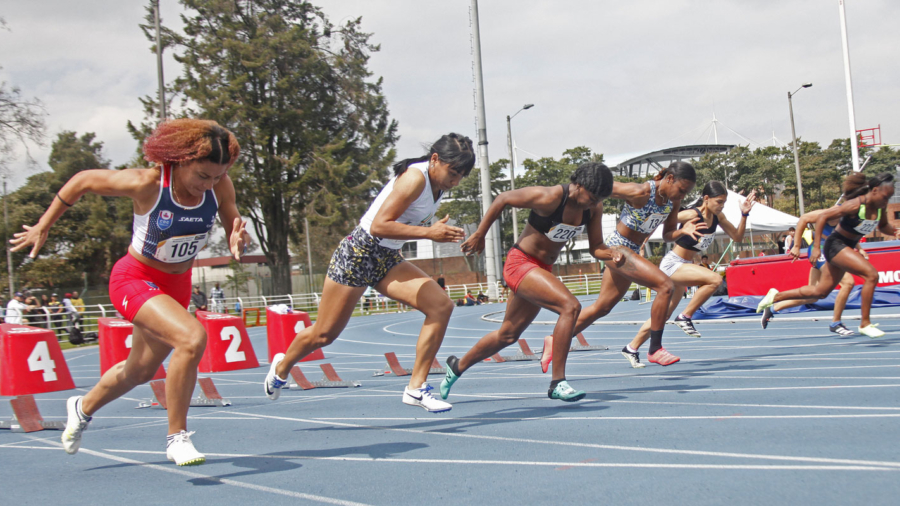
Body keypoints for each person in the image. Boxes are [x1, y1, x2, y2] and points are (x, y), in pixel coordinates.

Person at [11, 118, 250, 466]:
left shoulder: (219, 185)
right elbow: (82, 181)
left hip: (175, 285)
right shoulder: (147, 183)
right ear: (181, 160)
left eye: (217, 176)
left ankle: (82, 407)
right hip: (135, 278)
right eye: (202, 176)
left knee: (139, 371)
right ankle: (176, 437)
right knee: (191, 338)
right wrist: (43, 225)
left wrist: (236, 237)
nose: (208, 185)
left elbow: (233, 222)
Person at [264, 133, 475, 413]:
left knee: (440, 306)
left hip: (387, 257)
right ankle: (281, 367)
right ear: (434, 159)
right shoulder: (415, 178)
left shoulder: (439, 184)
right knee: (324, 334)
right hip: (358, 254)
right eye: (453, 172)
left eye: (462, 175)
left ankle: (416, 388)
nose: (456, 181)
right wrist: (428, 232)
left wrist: (432, 227)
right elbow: (378, 226)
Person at [441, 162, 617, 402]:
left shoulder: (592, 209)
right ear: (579, 185)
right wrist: (480, 234)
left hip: (541, 269)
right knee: (570, 306)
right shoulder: (550, 197)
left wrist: (614, 254)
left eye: (598, 200)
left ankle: (457, 366)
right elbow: (503, 198)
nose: (593, 203)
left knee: (508, 335)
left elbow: (596, 247)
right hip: (520, 263)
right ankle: (558, 382)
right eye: (592, 197)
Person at [561, 162, 699, 368]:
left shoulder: (672, 202)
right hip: (618, 249)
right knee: (665, 286)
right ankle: (655, 348)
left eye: (686, 193)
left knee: (602, 307)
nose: (682, 196)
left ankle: (556, 339)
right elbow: (603, 187)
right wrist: (572, 200)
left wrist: (683, 231)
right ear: (669, 179)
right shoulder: (641, 191)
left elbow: (667, 235)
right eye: (681, 190)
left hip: (631, 254)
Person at [622, 183, 756, 367]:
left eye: (724, 203)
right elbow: (663, 219)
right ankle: (685, 317)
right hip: (673, 264)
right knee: (715, 279)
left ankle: (631, 347)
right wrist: (644, 240)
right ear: (706, 198)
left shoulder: (718, 216)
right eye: (719, 202)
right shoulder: (692, 214)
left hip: (685, 266)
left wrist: (744, 214)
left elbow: (738, 237)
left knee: (662, 316)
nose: (721, 206)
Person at [757, 172, 899, 338]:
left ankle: (776, 296)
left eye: (889, 197)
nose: (886, 200)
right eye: (885, 196)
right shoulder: (853, 206)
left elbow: (883, 227)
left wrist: (895, 231)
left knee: (820, 292)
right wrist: (813, 247)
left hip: (845, 247)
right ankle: (863, 323)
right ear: (874, 191)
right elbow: (821, 217)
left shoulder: (880, 208)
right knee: (871, 275)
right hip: (833, 246)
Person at [760, 208, 858, 336]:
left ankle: (773, 307)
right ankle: (836, 323)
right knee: (848, 282)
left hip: (832, 250)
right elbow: (804, 219)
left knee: (813, 296)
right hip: (821, 250)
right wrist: (796, 246)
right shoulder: (831, 213)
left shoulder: (852, 216)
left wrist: (859, 248)